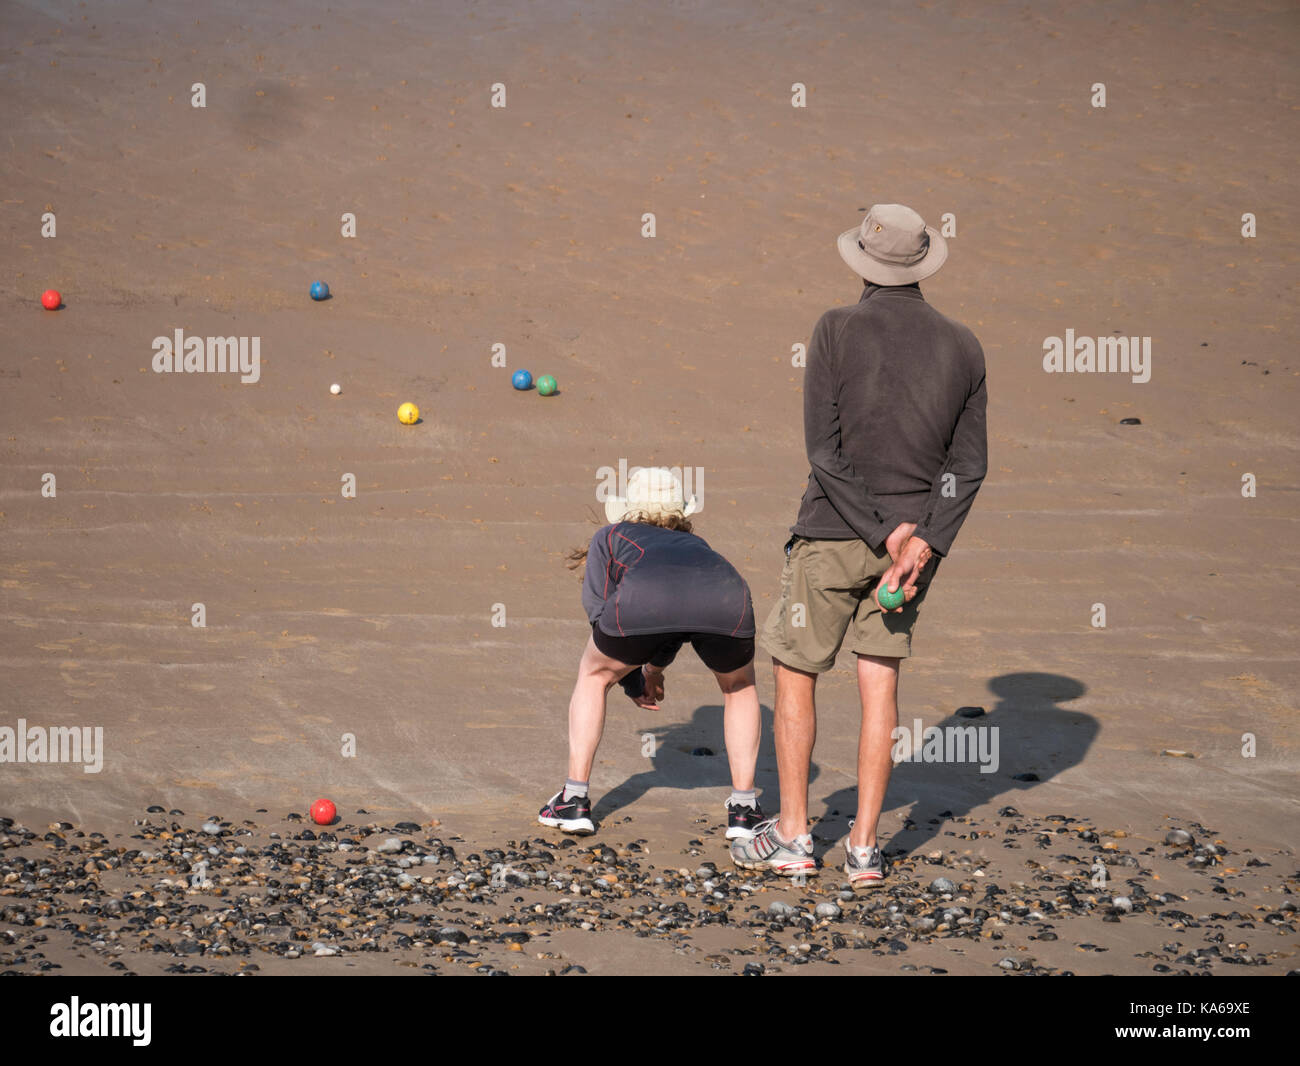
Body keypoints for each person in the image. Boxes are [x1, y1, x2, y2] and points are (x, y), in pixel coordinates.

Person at [731, 203, 988, 883]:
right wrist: (923, 540)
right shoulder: (964, 345)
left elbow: (824, 452)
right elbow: (968, 468)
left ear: (864, 264)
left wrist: (884, 530)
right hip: (911, 556)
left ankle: (792, 836)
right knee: (880, 688)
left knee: (797, 675)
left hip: (833, 533)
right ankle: (867, 849)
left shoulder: (835, 328)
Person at [538, 466, 766, 840]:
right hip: (727, 594)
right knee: (739, 687)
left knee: (594, 675)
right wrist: (652, 672)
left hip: (647, 601)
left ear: (628, 509)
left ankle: (574, 800)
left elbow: (601, 615)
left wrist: (629, 678)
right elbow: (675, 627)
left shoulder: (610, 536)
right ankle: (743, 810)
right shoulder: (699, 546)